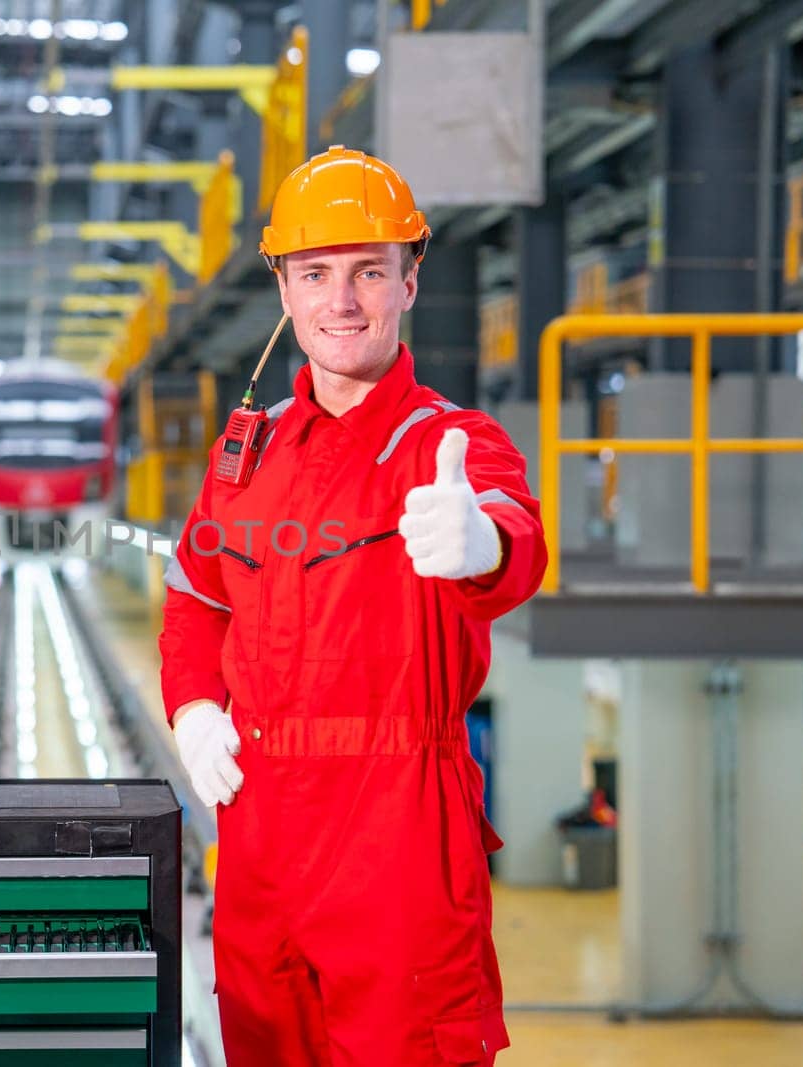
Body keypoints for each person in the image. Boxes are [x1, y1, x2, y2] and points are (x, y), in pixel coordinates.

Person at [159, 146, 547, 1066]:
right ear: (285, 290)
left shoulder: (452, 442)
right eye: (317, 274)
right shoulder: (247, 456)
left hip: (399, 849)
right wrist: (193, 705)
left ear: (409, 284)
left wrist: (481, 542)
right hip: (259, 851)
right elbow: (194, 594)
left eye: (369, 272)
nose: (342, 300)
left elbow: (513, 534)